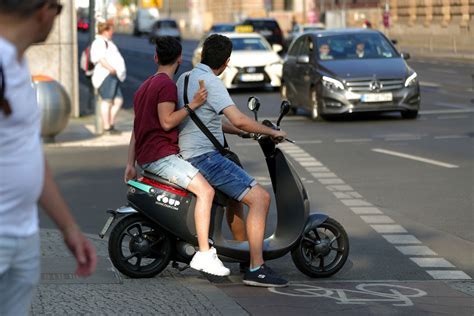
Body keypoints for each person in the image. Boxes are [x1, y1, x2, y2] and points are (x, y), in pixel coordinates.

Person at [0, 1, 97, 315]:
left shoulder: (17, 64)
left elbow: (29, 154)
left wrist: (69, 228)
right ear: (44, 11)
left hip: (23, 236)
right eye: (59, 8)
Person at [176, 34, 289, 287]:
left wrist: (244, 132)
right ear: (227, 62)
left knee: (236, 202)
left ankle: (244, 256)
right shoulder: (212, 83)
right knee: (260, 198)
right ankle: (256, 269)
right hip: (205, 158)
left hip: (189, 154)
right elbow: (238, 117)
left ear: (204, 54)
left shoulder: (184, 79)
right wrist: (271, 131)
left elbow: (206, 121)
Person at [123, 36, 230, 277]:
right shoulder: (166, 86)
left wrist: (130, 163)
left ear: (155, 57)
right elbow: (167, 121)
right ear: (180, 58)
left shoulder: (144, 86)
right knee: (207, 191)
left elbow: (136, 129)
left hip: (146, 157)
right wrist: (194, 104)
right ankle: (204, 254)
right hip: (162, 156)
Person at [91, 21, 126, 134]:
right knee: (107, 101)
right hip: (106, 75)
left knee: (118, 100)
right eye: (110, 30)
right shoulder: (99, 42)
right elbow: (100, 58)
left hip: (113, 75)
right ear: (105, 31)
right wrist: (111, 69)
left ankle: (110, 123)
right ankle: (107, 127)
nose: (112, 32)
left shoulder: (107, 42)